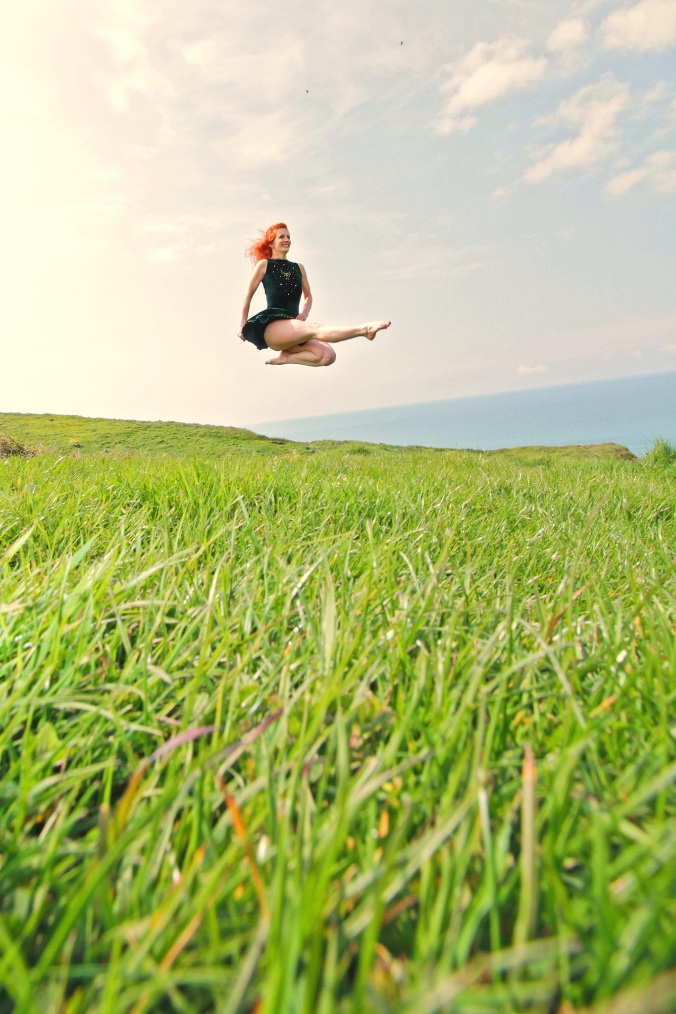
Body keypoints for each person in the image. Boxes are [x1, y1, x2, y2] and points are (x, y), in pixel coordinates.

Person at [238, 222, 390, 367]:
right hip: (273, 327)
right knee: (316, 328)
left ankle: (287, 357)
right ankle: (364, 330)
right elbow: (248, 295)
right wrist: (242, 325)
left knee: (328, 356)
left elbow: (308, 296)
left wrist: (304, 313)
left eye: (289, 237)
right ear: (271, 243)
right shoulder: (265, 264)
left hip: (294, 327)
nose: (287, 240)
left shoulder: (299, 268)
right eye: (282, 237)